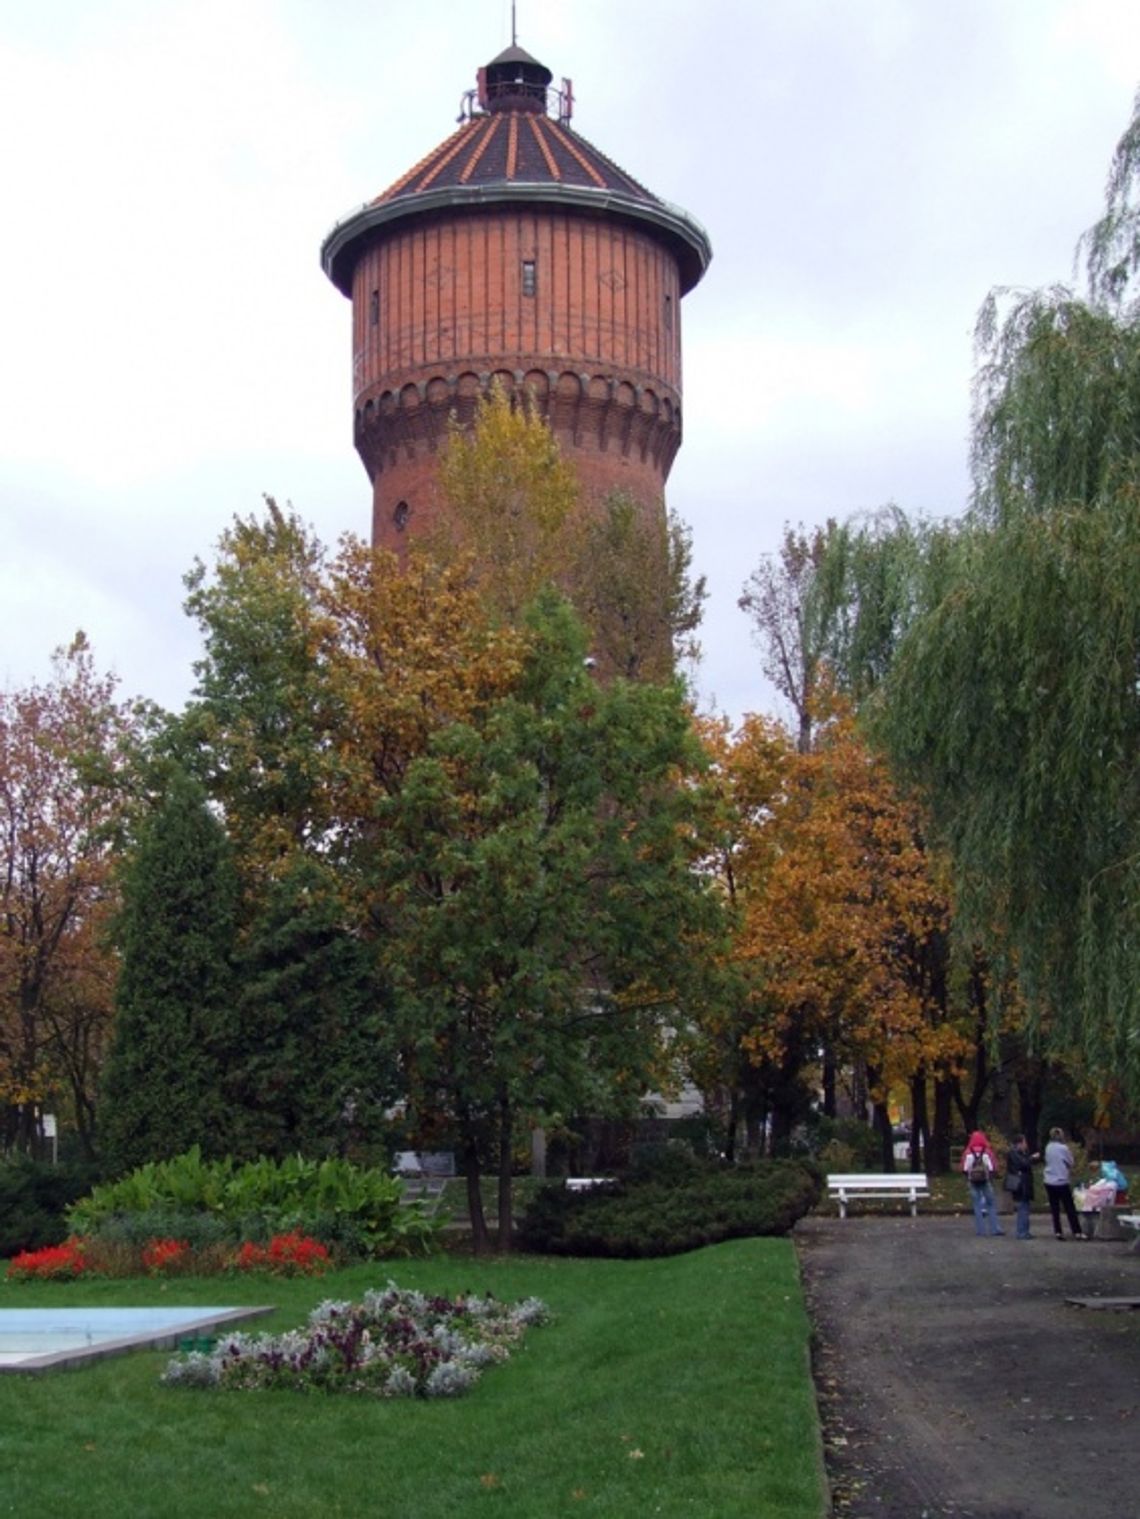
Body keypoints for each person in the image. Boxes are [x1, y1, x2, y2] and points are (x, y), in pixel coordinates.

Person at [1043, 1127, 1086, 1240]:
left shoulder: (1048, 1147)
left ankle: (1058, 1231)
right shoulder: (1063, 1148)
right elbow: (1071, 1162)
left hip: (1049, 1180)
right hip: (1061, 1181)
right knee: (1069, 1207)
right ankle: (1077, 1231)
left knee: (1055, 1208)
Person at [962, 1129, 1004, 1236]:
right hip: (985, 1181)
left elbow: (965, 1169)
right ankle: (995, 1229)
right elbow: (992, 1168)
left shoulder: (968, 1152)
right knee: (991, 1204)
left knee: (977, 1205)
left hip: (973, 1181)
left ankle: (980, 1230)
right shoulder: (987, 1151)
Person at [1004, 1135, 1038, 1239]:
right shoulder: (1014, 1153)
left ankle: (1024, 1231)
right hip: (1021, 1184)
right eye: (1024, 1143)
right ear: (1019, 1143)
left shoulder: (1019, 1153)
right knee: (1023, 1209)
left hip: (1024, 1183)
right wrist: (1032, 1158)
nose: (1026, 1145)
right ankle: (1022, 1232)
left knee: (1025, 1208)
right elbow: (1023, 1164)